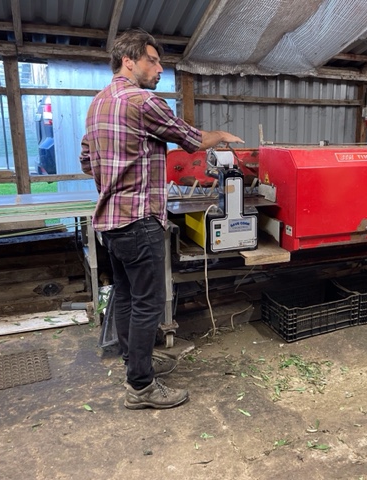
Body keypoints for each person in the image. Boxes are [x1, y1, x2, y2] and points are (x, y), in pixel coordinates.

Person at [80, 29, 244, 410]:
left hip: (109, 223)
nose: (159, 67)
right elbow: (190, 139)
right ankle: (141, 387)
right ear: (128, 61)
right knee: (147, 305)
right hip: (139, 222)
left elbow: (87, 162)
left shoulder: (97, 104)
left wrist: (116, 180)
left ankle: (135, 362)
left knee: (125, 297)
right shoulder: (143, 101)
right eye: (152, 60)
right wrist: (220, 134)